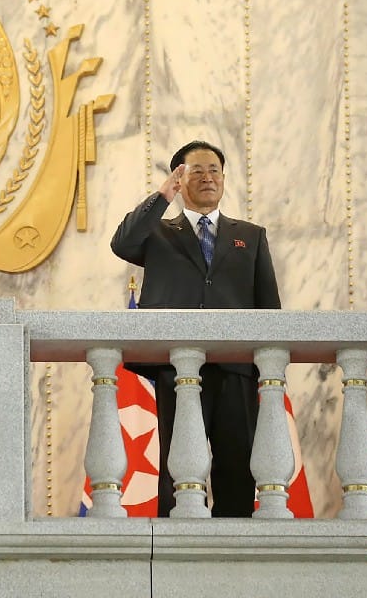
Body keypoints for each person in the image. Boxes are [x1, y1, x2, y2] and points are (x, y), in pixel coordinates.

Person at [110, 140, 280, 517]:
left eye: (214, 170)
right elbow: (122, 243)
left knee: (237, 464)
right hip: (178, 366)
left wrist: (269, 370)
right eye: (196, 171)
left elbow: (269, 307)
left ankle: (234, 551)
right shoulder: (157, 232)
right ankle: (175, 551)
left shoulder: (250, 236)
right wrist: (161, 197)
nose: (207, 178)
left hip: (237, 367)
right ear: (179, 179)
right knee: (180, 468)